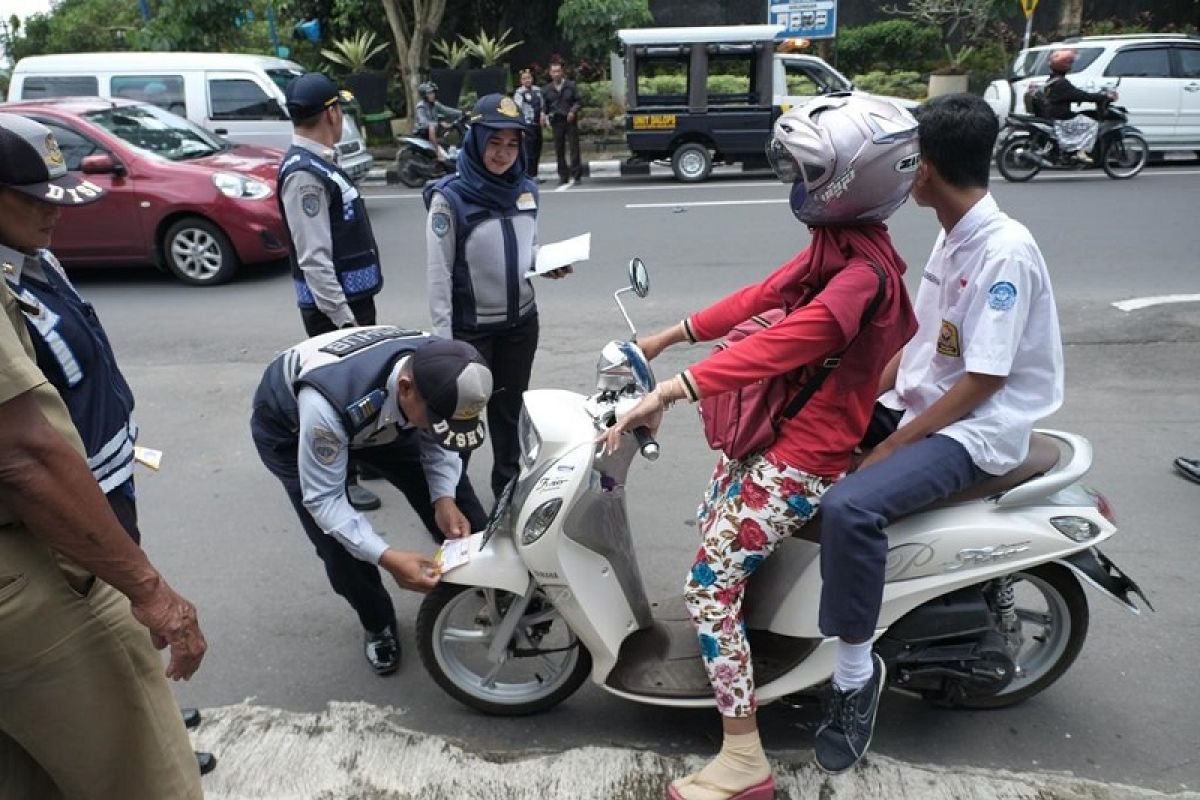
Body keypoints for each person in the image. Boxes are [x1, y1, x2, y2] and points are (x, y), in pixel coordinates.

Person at [602, 95, 921, 800]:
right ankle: (738, 655)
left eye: (807, 169)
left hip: (802, 456)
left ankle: (745, 760)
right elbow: (764, 295)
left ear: (849, 181)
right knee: (709, 532)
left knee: (707, 590)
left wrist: (673, 388)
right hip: (773, 437)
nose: (793, 180)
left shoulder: (863, 275)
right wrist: (667, 335)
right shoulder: (842, 245)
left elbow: (787, 341)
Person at [810, 93, 1064, 774]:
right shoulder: (955, 235)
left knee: (850, 504)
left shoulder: (1003, 253)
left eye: (901, 162)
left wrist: (888, 446)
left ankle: (854, 678)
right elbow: (921, 344)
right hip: (926, 401)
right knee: (796, 429)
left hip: (976, 429)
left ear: (921, 171)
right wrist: (851, 395)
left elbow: (981, 380)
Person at [0, 112, 206, 800]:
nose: (50, 210)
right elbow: (25, 456)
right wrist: (149, 590)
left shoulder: (28, 254)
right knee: (143, 773)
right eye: (33, 196)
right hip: (40, 549)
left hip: (87, 500)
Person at [250, 326, 492, 675]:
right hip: (292, 429)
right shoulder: (326, 405)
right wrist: (388, 557)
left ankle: (491, 581)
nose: (440, 425)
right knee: (337, 545)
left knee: (463, 508)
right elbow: (325, 501)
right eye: (436, 418)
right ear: (407, 389)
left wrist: (443, 497)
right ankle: (377, 623)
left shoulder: (445, 367)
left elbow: (442, 437)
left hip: (385, 419)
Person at [424, 94, 572, 501]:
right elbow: (437, 277)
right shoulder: (449, 198)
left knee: (509, 415)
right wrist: (444, 343)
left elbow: (527, 250)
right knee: (462, 421)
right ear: (475, 140)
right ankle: (451, 498)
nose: (503, 153)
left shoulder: (526, 189)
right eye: (494, 142)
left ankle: (506, 489)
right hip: (470, 335)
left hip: (520, 327)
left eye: (512, 144)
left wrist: (546, 263)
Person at [278, 72, 384, 512]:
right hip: (334, 310)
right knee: (340, 394)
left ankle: (368, 454)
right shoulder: (304, 175)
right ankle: (342, 477)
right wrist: (345, 321)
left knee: (362, 387)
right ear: (331, 113)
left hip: (352, 300)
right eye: (340, 110)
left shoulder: (320, 161)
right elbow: (315, 260)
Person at [1033, 49, 1116, 163]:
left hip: (1051, 115)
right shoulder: (1062, 83)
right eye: (1069, 63)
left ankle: (1068, 151)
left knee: (1081, 118)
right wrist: (1102, 97)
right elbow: (1080, 95)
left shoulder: (1052, 80)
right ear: (1064, 66)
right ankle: (1080, 152)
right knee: (1091, 124)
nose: (1071, 66)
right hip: (1061, 118)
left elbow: (1071, 94)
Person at [542, 62, 583, 186]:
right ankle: (563, 175)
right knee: (559, 149)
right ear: (550, 73)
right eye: (554, 72)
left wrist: (572, 111)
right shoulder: (547, 89)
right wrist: (543, 115)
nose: (556, 74)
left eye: (558, 71)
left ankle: (576, 176)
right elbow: (545, 106)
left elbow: (579, 101)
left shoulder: (570, 85)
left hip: (570, 119)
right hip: (556, 121)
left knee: (574, 147)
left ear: (562, 72)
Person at [415, 81, 463, 163]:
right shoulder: (421, 106)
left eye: (433, 93)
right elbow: (423, 122)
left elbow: (448, 111)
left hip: (435, 128)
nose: (432, 95)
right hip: (423, 130)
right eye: (429, 93)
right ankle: (438, 154)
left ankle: (453, 151)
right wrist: (439, 124)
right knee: (432, 127)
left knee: (452, 127)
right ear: (424, 95)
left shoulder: (435, 104)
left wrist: (463, 113)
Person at [513, 69, 545, 181]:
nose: (527, 80)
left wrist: (543, 115)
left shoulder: (537, 90)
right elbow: (517, 110)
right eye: (524, 78)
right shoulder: (519, 93)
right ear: (521, 81)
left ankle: (535, 173)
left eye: (529, 78)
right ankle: (528, 174)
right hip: (527, 125)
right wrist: (519, 126)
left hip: (537, 124)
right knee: (528, 150)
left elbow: (542, 105)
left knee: (537, 148)